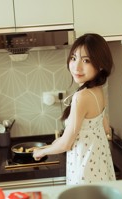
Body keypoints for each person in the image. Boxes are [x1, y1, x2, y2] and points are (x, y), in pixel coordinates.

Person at [33, 33, 116, 184]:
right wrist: (51, 145)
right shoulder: (98, 90)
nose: (76, 67)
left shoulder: (82, 97)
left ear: (101, 64)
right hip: (98, 167)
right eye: (73, 58)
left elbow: (66, 143)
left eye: (86, 60)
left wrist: (41, 152)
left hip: (85, 172)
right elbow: (106, 128)